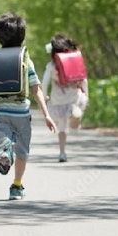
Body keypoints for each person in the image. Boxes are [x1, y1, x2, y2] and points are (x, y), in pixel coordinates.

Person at [0, 12, 56, 200]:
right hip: (21, 112)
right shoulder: (25, 60)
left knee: (3, 139)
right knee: (22, 151)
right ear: (22, 36)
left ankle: (4, 150)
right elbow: (36, 90)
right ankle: (16, 185)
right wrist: (46, 114)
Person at [41, 33, 89, 162]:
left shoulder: (51, 66)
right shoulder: (75, 61)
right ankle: (75, 118)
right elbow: (83, 80)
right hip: (74, 98)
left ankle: (62, 153)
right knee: (73, 123)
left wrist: (44, 96)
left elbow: (44, 83)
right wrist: (87, 96)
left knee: (61, 128)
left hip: (58, 100)